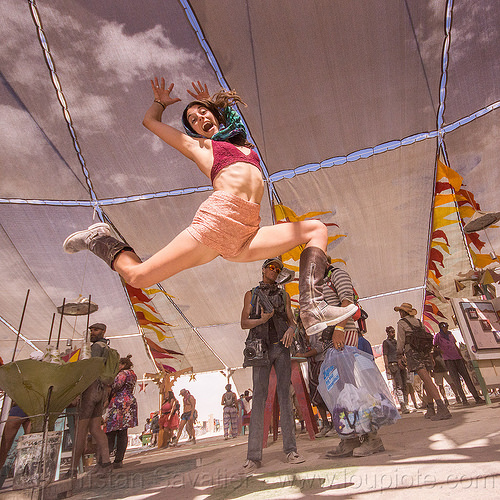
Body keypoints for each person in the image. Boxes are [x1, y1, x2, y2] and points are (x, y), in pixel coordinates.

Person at [62, 79, 357, 338]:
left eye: (202, 112)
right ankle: (99, 238)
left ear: (215, 115)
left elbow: (230, 115)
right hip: (217, 222)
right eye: (192, 119)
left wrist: (214, 103)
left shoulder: (245, 147)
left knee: (316, 229)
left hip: (247, 233)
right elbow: (150, 123)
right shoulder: (202, 148)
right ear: (193, 131)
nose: (198, 118)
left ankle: (313, 307)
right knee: (139, 277)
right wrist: (158, 104)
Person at [240, 257, 305, 474]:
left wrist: (291, 329)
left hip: (281, 347)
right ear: (263, 270)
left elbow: (292, 321)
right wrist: (262, 319)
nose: (274, 271)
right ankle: (253, 457)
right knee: (259, 399)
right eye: (271, 267)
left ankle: (291, 450)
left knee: (285, 397)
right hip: (260, 349)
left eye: (278, 269)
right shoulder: (251, 294)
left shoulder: (284, 295)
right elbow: (244, 323)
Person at [67, 323, 113, 478]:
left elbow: (89, 370)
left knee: (81, 429)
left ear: (103, 331)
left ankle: (72, 469)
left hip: (90, 389)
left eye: (96, 330)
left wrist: (78, 392)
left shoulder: (95, 348)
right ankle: (106, 463)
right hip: (100, 390)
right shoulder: (106, 347)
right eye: (91, 330)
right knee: (95, 428)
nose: (93, 332)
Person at [395, 303, 452, 420]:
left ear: (403, 312)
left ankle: (441, 407)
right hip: (424, 352)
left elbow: (401, 341)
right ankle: (430, 408)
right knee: (427, 380)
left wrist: (399, 355)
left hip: (412, 353)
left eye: (400, 311)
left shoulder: (401, 323)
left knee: (426, 380)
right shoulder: (419, 322)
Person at [433, 322, 485, 405]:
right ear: (440, 328)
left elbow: (455, 345)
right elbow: (434, 346)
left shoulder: (450, 334)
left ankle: (476, 397)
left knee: (467, 378)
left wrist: (461, 356)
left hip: (457, 358)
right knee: (456, 380)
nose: (446, 328)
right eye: (444, 327)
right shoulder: (438, 336)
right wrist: (440, 351)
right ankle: (464, 399)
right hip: (448, 360)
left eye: (446, 326)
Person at [104, 354, 138, 469]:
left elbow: (116, 386)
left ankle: (106, 458)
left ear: (123, 364)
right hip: (129, 402)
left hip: (119, 403)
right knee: (123, 432)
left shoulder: (123, 374)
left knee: (112, 432)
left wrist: (108, 384)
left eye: (119, 364)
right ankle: (119, 459)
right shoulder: (133, 374)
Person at [383, 326, 409, 413]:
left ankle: (406, 403)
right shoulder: (386, 343)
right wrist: (387, 367)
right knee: (399, 385)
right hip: (393, 364)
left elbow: (401, 353)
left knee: (405, 384)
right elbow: (385, 355)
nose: (393, 334)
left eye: (394, 332)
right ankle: (403, 405)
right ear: (388, 333)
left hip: (401, 364)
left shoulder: (396, 342)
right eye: (391, 332)